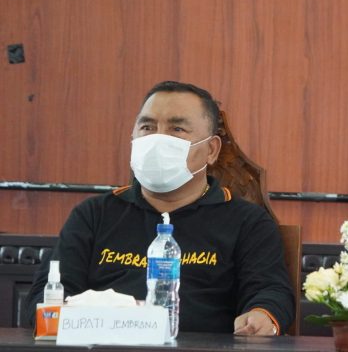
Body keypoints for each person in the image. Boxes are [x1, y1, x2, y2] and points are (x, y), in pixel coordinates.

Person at [25, 81, 294, 335]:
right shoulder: (94, 214)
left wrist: (262, 315)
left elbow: (270, 291)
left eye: (177, 129)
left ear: (211, 150)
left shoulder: (247, 221)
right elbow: (45, 296)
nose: (157, 139)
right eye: (147, 127)